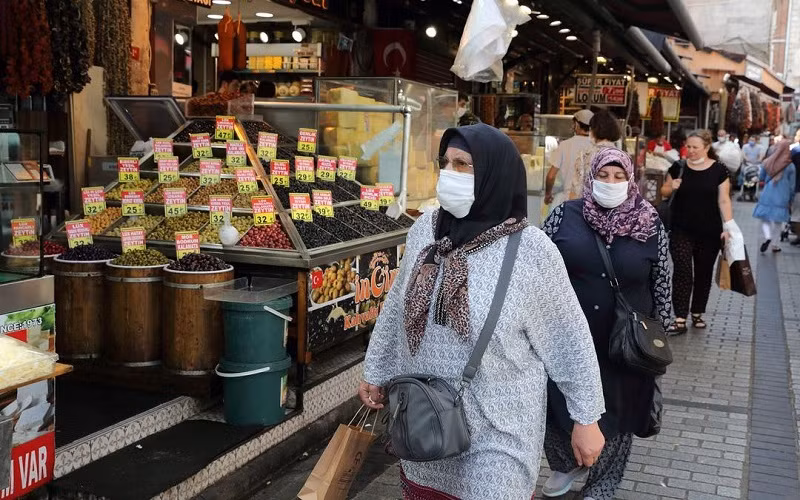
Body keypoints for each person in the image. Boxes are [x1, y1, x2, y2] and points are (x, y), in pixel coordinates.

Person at [360, 123, 606, 500]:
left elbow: (568, 337)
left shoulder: (531, 251)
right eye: (445, 163)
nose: (449, 173)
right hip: (426, 421)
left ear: (494, 174)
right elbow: (397, 303)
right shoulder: (426, 230)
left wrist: (585, 418)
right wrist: (377, 369)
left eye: (463, 165)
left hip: (499, 430)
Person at [542, 147, 671, 500]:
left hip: (625, 344)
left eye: (619, 177)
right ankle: (566, 461)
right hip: (567, 338)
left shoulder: (649, 222)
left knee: (619, 416)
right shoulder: (563, 216)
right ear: (591, 177)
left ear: (631, 181)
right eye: (603, 175)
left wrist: (659, 340)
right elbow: (534, 271)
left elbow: (661, 280)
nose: (610, 183)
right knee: (556, 407)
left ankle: (601, 488)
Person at [660, 130, 735, 334]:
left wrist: (729, 227)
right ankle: (680, 317)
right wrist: (672, 186)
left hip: (710, 231)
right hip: (681, 229)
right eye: (688, 147)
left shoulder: (719, 170)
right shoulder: (678, 167)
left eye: (695, 147)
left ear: (707, 147)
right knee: (683, 272)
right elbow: (664, 191)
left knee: (703, 273)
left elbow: (724, 199)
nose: (691, 151)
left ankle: (697, 312)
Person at [564, 110, 622, 200]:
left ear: (594, 130)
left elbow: (576, 190)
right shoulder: (623, 157)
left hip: (589, 210)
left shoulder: (585, 155)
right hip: (615, 211)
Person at [754, 140, 796, 253]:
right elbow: (792, 186)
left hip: (768, 194)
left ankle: (767, 237)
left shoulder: (768, 162)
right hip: (783, 195)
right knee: (778, 222)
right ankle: (775, 245)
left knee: (765, 219)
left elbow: (761, 178)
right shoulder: (790, 166)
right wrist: (791, 199)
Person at [545, 109, 594, 207]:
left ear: (576, 124)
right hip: (591, 203)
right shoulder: (597, 145)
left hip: (569, 200)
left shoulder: (565, 145)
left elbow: (551, 176)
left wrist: (548, 194)